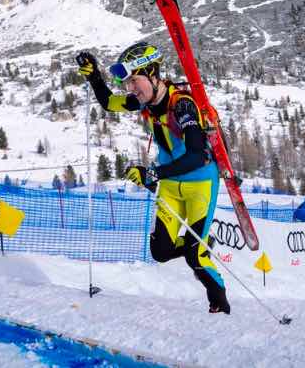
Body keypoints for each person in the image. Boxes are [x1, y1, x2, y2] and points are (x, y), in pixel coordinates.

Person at [77, 43, 230, 314]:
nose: (130, 89)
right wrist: (94, 76)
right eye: (127, 83)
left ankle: (219, 303)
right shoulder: (143, 101)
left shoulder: (182, 104)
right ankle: (200, 243)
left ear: (152, 73)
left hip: (201, 185)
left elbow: (197, 156)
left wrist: (151, 173)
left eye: (134, 81)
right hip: (170, 187)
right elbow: (109, 103)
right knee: (160, 252)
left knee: (195, 256)